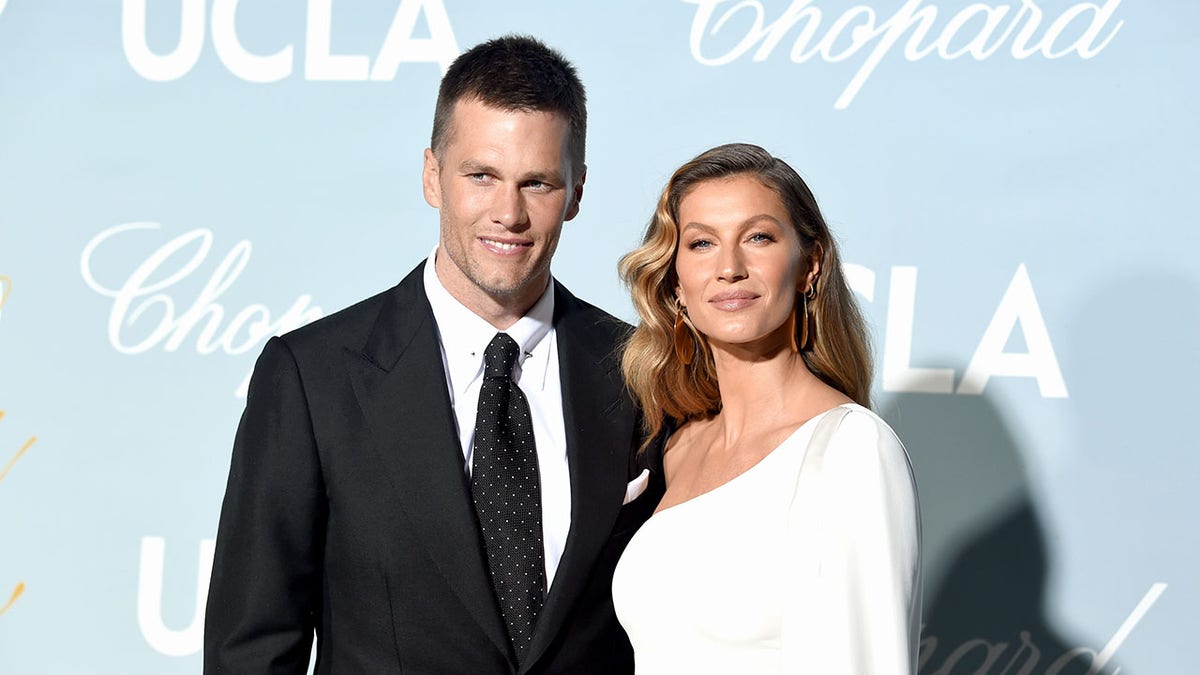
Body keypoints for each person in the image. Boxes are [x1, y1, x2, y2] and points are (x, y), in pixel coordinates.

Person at [204, 36, 661, 674]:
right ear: (431, 176)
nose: (509, 213)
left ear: (577, 192)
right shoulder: (313, 378)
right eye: (481, 175)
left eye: (538, 183)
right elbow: (251, 649)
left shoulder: (642, 370)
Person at [612, 143, 921, 673]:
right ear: (676, 283)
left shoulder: (850, 449)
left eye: (758, 237)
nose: (729, 268)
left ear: (810, 265)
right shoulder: (677, 449)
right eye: (702, 243)